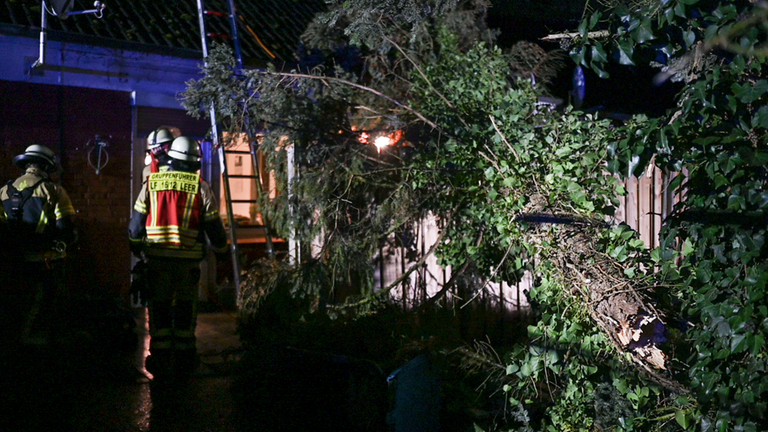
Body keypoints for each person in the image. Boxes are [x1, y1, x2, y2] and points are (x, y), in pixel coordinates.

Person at [128, 136, 229, 379]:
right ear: (195, 162)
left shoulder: (151, 183)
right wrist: (222, 251)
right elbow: (214, 227)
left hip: (157, 261)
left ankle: (161, 357)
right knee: (185, 307)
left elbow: (135, 226)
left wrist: (136, 248)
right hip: (187, 264)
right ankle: (185, 358)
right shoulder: (200, 186)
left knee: (159, 307)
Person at [0, 144, 77, 346]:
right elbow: (65, 229)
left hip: (12, 263)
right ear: (47, 166)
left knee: (15, 307)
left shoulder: (3, 192)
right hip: (45, 263)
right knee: (46, 309)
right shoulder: (54, 190)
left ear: (26, 164)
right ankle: (38, 347)